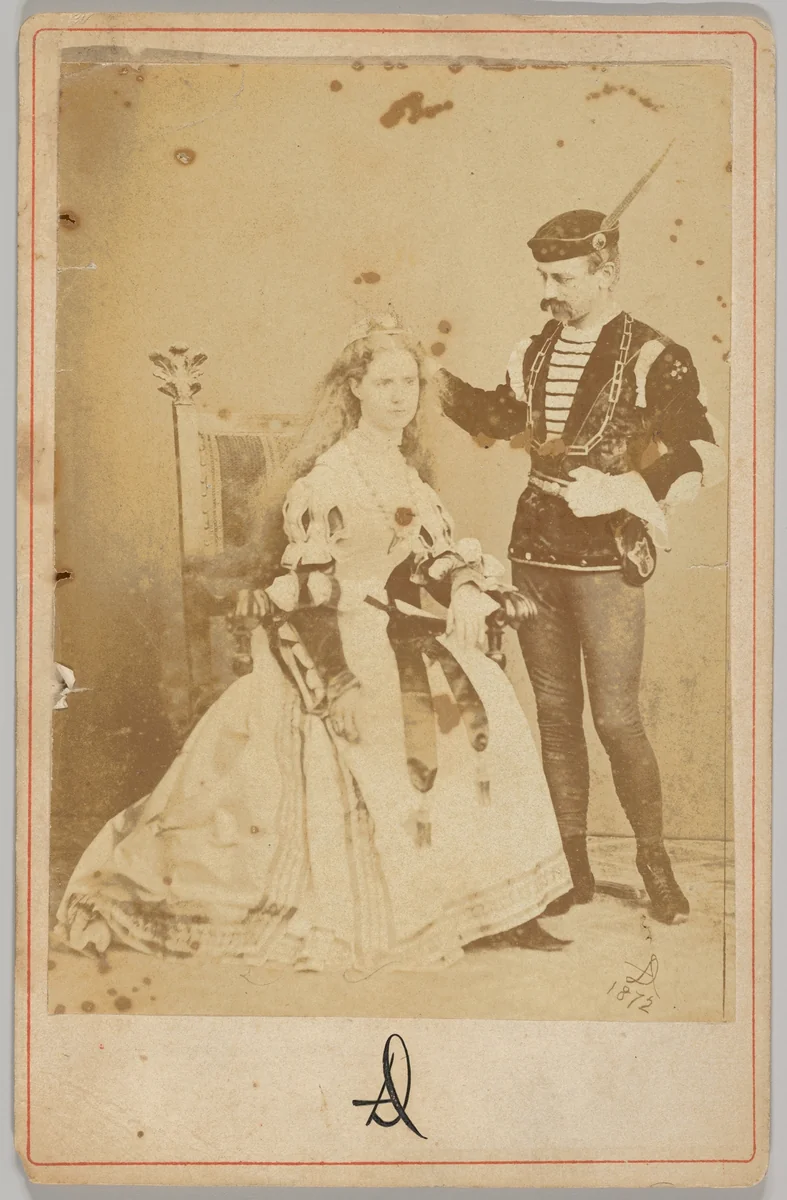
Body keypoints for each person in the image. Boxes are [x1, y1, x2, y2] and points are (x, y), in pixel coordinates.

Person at [55, 314, 572, 974]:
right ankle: (406, 900)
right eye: (384, 382)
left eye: (409, 382)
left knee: (485, 698)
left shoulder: (403, 473)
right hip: (329, 637)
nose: (399, 395)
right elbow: (308, 596)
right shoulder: (327, 481)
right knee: (390, 717)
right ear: (353, 387)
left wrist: (469, 587)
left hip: (393, 628)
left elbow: (435, 554)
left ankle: (492, 905)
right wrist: (340, 683)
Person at [435, 151, 725, 925]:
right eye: (542, 279)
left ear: (605, 271)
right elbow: (502, 421)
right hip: (531, 554)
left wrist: (625, 488)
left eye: (560, 279)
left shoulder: (656, 354)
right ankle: (571, 863)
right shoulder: (530, 349)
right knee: (555, 714)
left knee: (615, 718)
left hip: (605, 559)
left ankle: (653, 864)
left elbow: (702, 451)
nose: (546, 294)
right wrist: (423, 376)